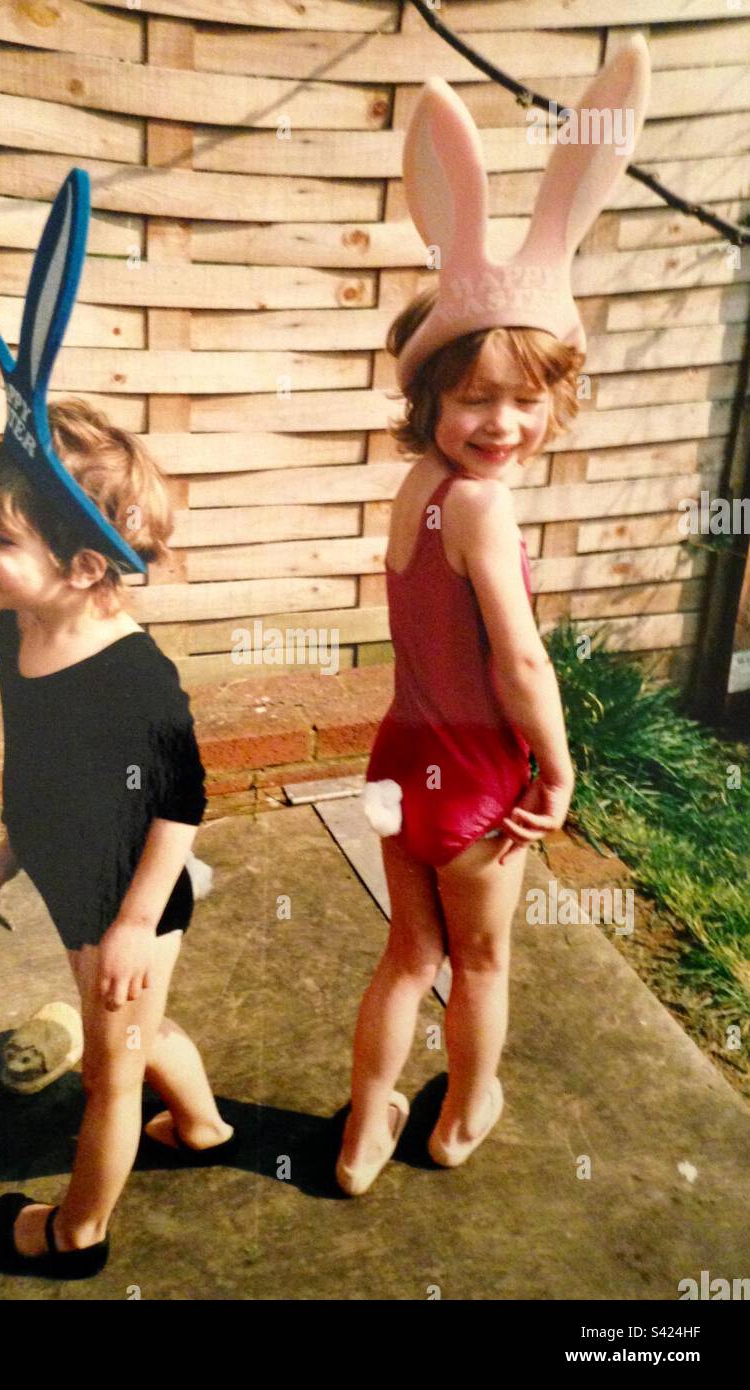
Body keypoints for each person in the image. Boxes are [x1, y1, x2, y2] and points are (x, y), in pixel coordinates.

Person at [335, 37, 650, 1195]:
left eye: (526, 400)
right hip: (473, 779)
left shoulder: (415, 486)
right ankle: (466, 1105)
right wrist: (558, 768)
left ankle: (368, 1123)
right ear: (432, 397)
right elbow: (517, 657)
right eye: (478, 399)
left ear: (554, 399)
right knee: (481, 957)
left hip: (397, 756)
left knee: (405, 951)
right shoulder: (478, 508)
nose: (504, 422)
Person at [0, 398, 235, 1277]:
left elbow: (182, 802)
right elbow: (38, 762)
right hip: (73, 879)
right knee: (136, 1036)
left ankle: (77, 1235)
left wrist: (131, 927)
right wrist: (11, 846)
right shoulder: (16, 629)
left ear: (81, 566)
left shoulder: (133, 679)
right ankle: (201, 1126)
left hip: (131, 899)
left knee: (108, 1075)